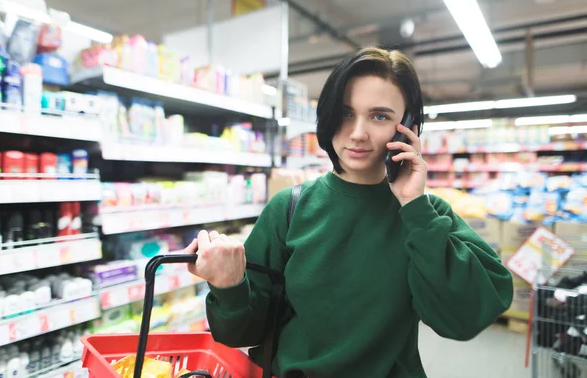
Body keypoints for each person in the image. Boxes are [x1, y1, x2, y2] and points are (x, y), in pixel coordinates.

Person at [184, 46, 514, 378]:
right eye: (345, 113)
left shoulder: (426, 217)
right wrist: (228, 285)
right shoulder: (289, 209)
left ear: (409, 125)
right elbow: (239, 333)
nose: (357, 133)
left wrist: (416, 210)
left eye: (380, 116)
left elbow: (465, 317)